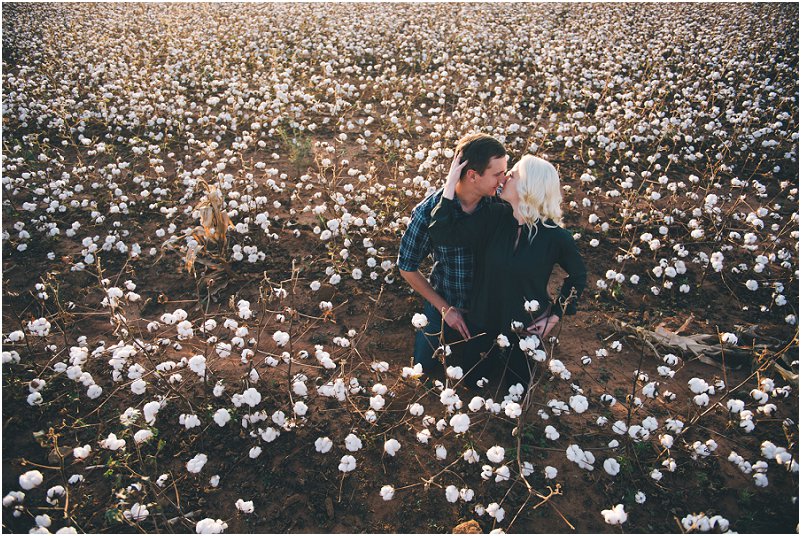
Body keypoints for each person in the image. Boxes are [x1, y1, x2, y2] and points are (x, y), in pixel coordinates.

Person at [428, 153, 587, 387]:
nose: (504, 178)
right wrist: (450, 185)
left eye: (512, 175)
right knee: (473, 383)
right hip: (482, 321)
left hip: (524, 329)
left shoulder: (555, 236)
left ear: (528, 186)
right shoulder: (496, 216)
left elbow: (578, 276)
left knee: (519, 388)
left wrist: (553, 317)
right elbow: (444, 234)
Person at [398, 133, 508, 372]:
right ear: (472, 175)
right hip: (446, 300)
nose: (504, 179)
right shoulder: (428, 211)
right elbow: (407, 265)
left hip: (488, 306)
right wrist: (445, 309)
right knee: (423, 369)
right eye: (497, 174)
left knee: (492, 372)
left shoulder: (500, 204)